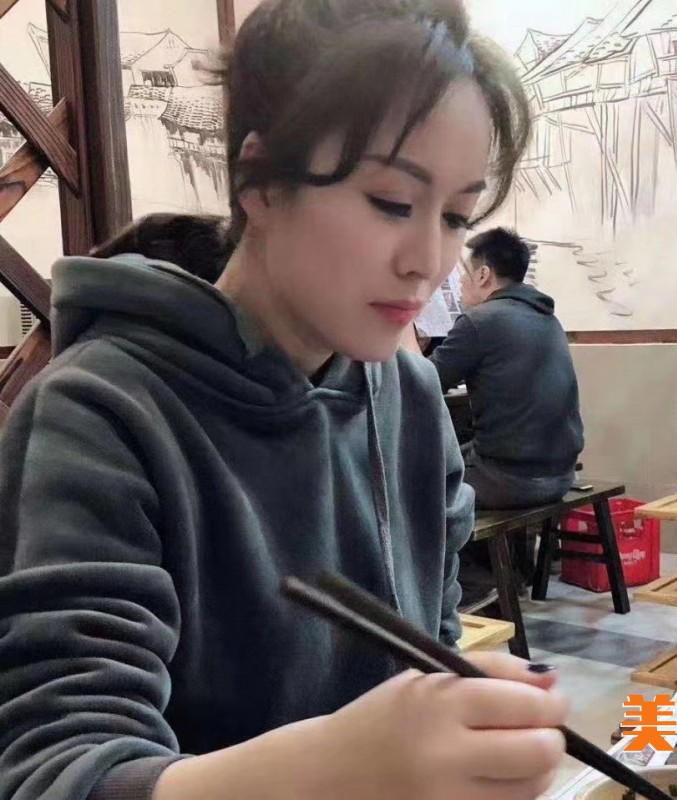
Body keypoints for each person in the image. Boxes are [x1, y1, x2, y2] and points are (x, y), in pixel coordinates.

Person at [0, 3, 567, 800]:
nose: (428, 261)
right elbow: (56, 772)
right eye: (392, 202)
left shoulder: (409, 398)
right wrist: (343, 763)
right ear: (260, 182)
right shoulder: (100, 413)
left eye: (455, 217)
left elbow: (429, 649)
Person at [428, 227, 584, 509]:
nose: (461, 281)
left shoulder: (480, 321)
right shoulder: (549, 319)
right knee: (459, 448)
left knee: (413, 474)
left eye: (465, 272)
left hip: (509, 482)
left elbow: (424, 384)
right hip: (561, 475)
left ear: (483, 275)